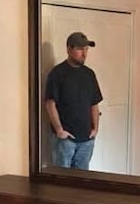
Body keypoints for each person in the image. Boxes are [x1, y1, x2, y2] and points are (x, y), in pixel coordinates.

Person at [44, 31, 103, 170]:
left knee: (82, 183)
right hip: (66, 140)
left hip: (86, 140)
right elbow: (50, 104)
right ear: (69, 49)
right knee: (63, 182)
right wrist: (59, 130)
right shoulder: (57, 74)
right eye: (80, 49)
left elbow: (94, 103)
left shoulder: (89, 74)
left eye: (86, 49)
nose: (84, 53)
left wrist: (95, 129)